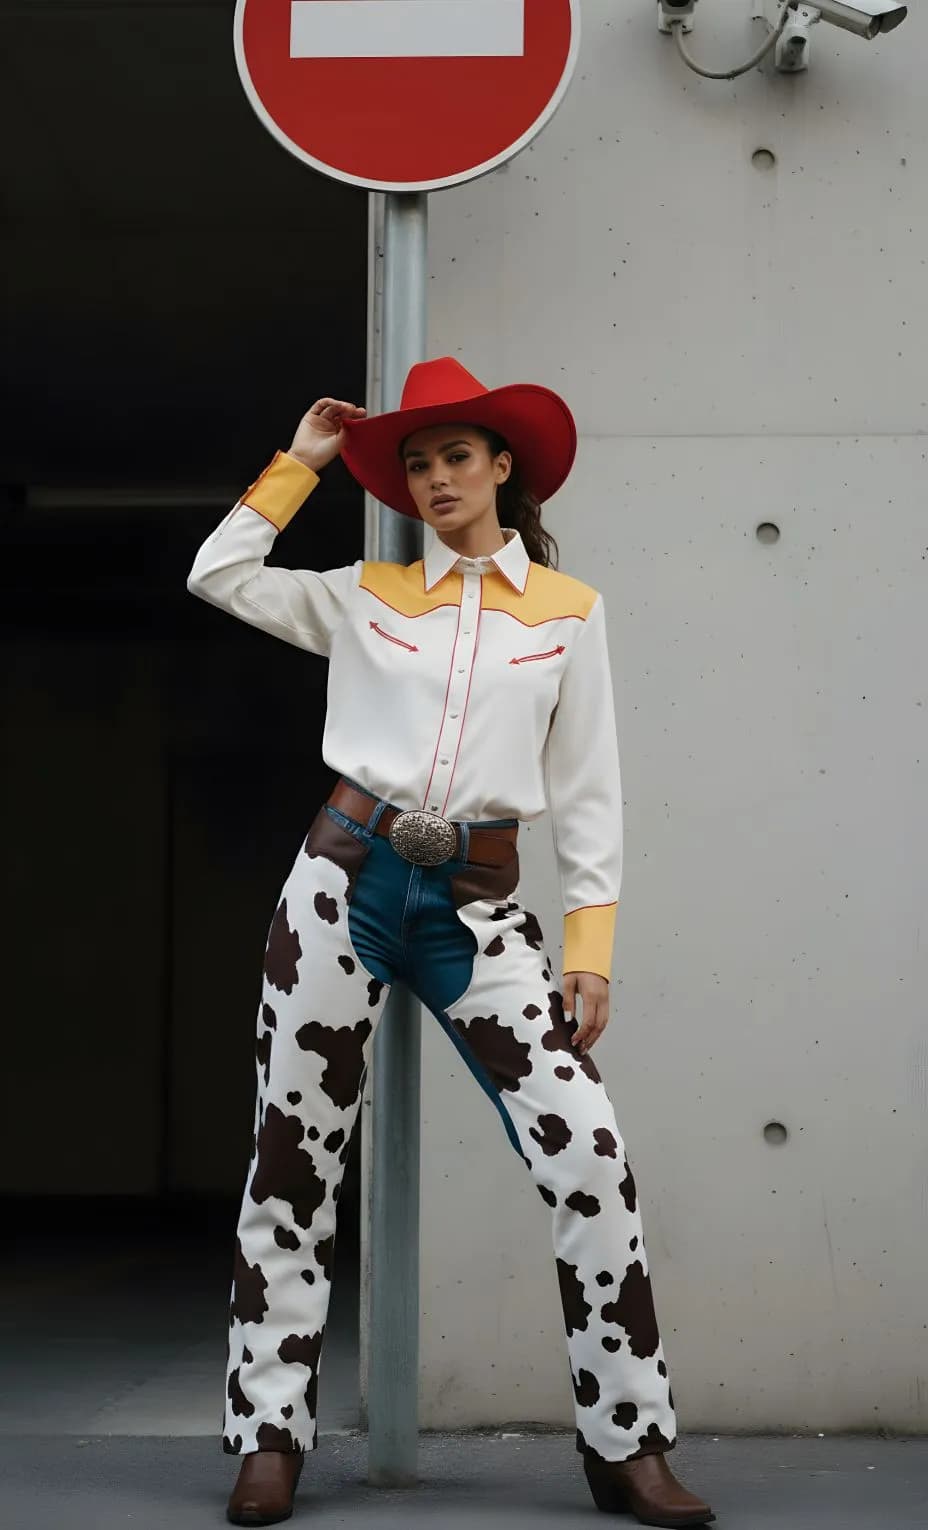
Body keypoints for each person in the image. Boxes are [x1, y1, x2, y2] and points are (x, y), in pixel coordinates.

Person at [186, 357, 715, 1528]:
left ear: (501, 466)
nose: (434, 480)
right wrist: (301, 464)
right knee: (289, 1165)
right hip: (339, 885)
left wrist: (590, 946)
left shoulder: (568, 615)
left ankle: (628, 1443)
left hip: (478, 908)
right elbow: (216, 574)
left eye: (454, 458)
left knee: (588, 1157)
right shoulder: (365, 594)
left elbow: (590, 791)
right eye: (417, 464)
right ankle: (268, 1431)